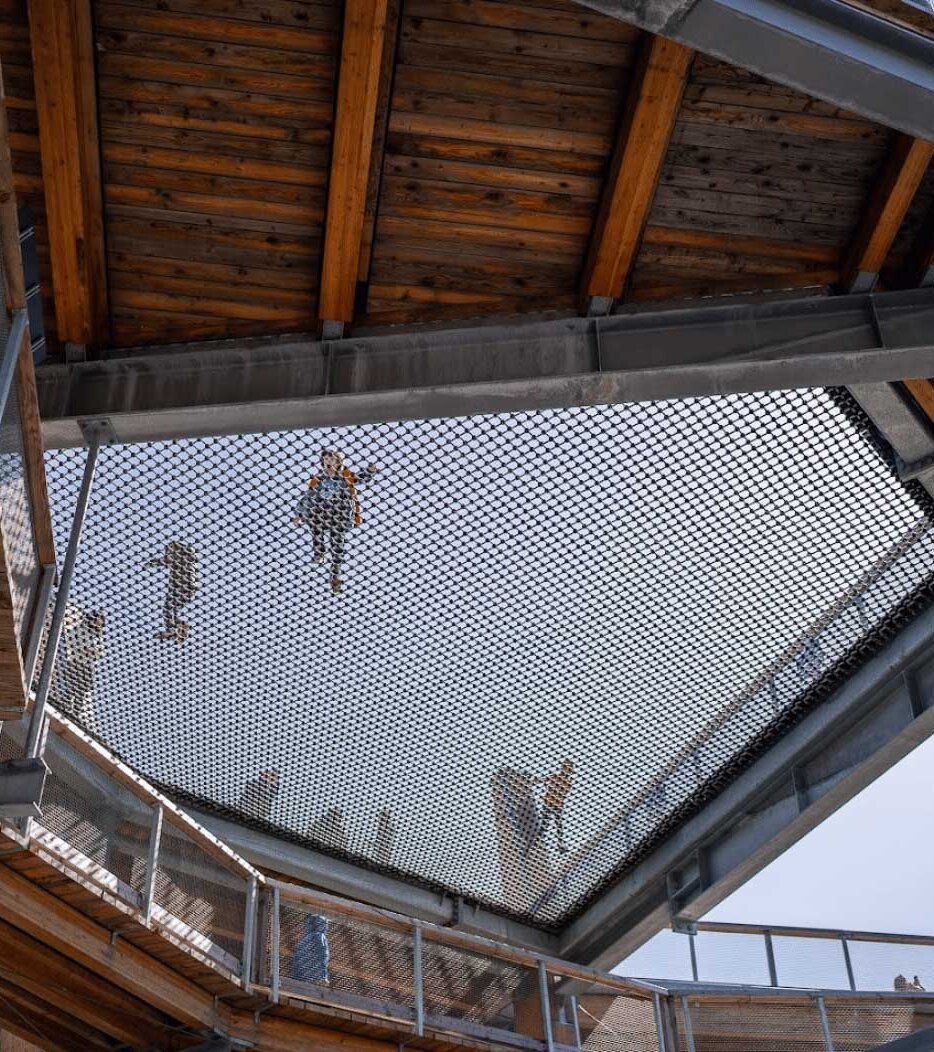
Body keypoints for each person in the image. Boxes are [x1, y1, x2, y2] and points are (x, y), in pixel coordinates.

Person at [293, 450, 378, 594]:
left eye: (331, 459)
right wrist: (299, 514)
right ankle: (319, 553)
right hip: (323, 511)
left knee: (337, 546)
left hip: (341, 513)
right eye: (325, 459)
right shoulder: (319, 479)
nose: (328, 462)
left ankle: (335, 576)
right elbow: (309, 497)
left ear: (338, 462)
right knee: (315, 524)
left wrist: (369, 471)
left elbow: (359, 478)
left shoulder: (345, 476)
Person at [60, 603, 106, 732]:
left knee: (81, 692)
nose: (98, 625)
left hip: (87, 666)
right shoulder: (80, 629)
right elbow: (72, 639)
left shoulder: (98, 637)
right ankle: (65, 707)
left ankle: (76, 714)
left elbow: (101, 652)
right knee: (71, 688)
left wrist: (93, 651)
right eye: (97, 621)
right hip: (76, 662)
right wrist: (83, 649)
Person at [144, 541, 200, 642]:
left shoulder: (179, 556)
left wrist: (148, 564)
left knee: (168, 608)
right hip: (185, 588)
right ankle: (180, 626)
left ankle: (172, 631)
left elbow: (163, 561)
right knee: (171, 609)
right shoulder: (186, 556)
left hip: (182, 587)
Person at [535, 759, 575, 854]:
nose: (566, 771)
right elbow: (542, 780)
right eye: (565, 768)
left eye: (568, 769)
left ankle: (560, 845)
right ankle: (538, 841)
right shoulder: (556, 777)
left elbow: (563, 793)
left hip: (557, 805)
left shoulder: (567, 782)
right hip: (549, 803)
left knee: (558, 825)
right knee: (546, 824)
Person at [292, 913, 329, 985]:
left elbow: (296, 963)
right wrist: (323, 977)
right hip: (315, 978)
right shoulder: (320, 936)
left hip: (300, 979)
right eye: (324, 924)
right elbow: (322, 957)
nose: (326, 926)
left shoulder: (301, 943)